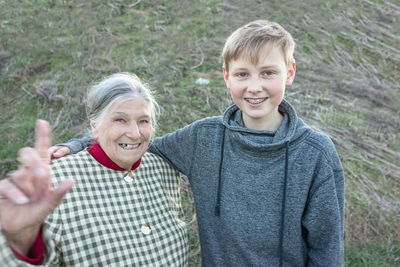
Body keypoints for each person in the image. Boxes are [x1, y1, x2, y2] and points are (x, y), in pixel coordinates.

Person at [51, 20, 345, 266]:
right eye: (243, 74)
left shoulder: (315, 153)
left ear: (289, 73)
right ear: (227, 77)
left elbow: (326, 247)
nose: (254, 87)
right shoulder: (203, 138)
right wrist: (79, 145)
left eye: (268, 73)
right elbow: (135, 142)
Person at [0, 73, 188, 266]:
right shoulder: (54, 181)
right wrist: (19, 240)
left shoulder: (164, 169)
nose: (134, 133)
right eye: (120, 120)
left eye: (143, 121)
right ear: (94, 126)